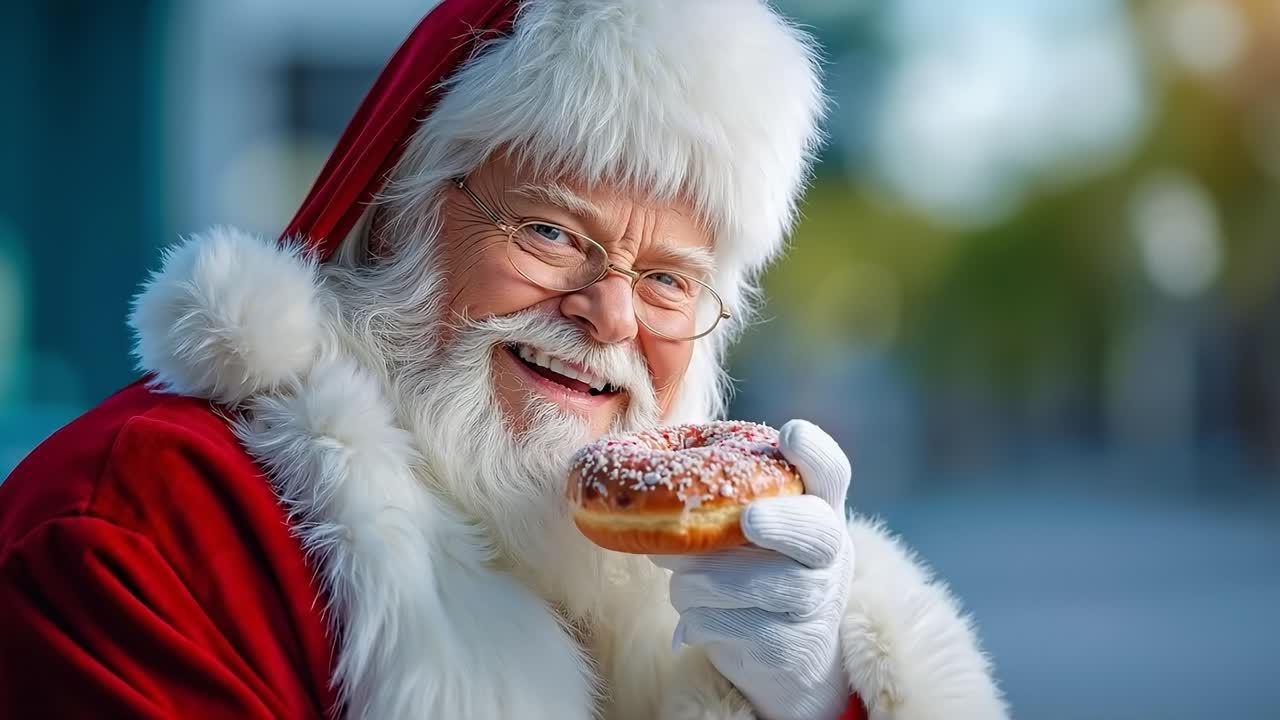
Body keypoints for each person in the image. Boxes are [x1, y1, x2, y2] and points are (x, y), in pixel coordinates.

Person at [0, 1, 1007, 718]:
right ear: (392, 221)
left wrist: (808, 697)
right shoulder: (139, 520)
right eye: (551, 233)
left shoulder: (695, 591)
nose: (609, 316)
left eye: (668, 280)